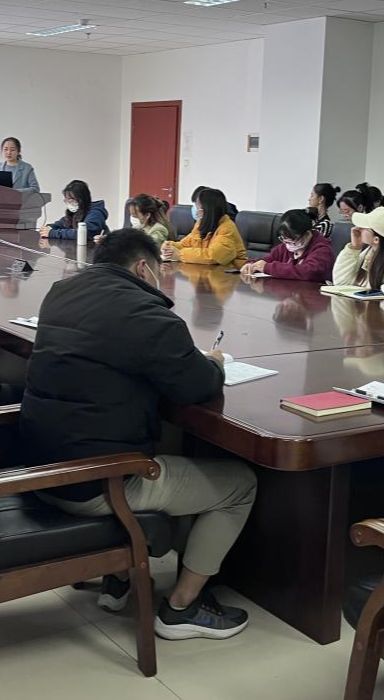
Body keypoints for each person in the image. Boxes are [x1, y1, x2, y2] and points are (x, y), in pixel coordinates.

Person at [20, 228, 257, 639]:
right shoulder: (147, 315)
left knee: (153, 435)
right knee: (240, 485)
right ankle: (182, 607)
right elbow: (198, 386)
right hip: (94, 484)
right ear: (143, 268)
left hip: (40, 465)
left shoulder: (60, 293)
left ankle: (119, 577)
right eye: (161, 273)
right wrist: (215, 362)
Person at [241, 209, 335, 282]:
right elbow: (267, 260)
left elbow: (309, 272)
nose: (288, 244)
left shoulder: (322, 250)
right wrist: (251, 264)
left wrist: (269, 268)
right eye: (284, 239)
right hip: (289, 293)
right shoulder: (284, 248)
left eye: (293, 240)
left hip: (313, 296)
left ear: (307, 234)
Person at [162, 187, 247, 267]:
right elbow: (186, 244)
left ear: (207, 209)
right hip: (206, 269)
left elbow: (213, 256)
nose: (196, 210)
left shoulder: (227, 228)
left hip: (230, 273)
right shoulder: (201, 224)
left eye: (198, 206)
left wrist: (180, 255)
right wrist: (170, 246)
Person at [40, 179, 107, 241]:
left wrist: (53, 233)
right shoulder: (75, 212)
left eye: (70, 199)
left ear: (81, 198)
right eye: (66, 199)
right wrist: (49, 228)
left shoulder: (96, 213)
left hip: (94, 248)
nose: (67, 202)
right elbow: (61, 224)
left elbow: (82, 233)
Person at [103, 193, 172, 247]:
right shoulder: (139, 227)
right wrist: (107, 240)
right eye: (132, 215)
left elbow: (148, 247)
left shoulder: (159, 229)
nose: (133, 218)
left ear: (147, 215)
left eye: (136, 215)